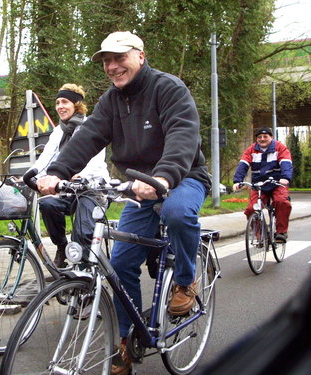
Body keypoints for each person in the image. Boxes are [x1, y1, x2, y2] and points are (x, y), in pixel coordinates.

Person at [36, 31, 211, 374]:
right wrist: (55, 173)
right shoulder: (110, 101)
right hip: (137, 187)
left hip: (182, 176)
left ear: (140, 56)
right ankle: (124, 342)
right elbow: (87, 138)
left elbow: (182, 133)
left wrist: (164, 177)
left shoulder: (168, 88)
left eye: (119, 58)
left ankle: (186, 280)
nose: (112, 66)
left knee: (176, 212)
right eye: (106, 61)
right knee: (121, 261)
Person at [27, 83, 110, 268]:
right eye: (57, 102)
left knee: (81, 232)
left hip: (92, 189)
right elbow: (46, 158)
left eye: (65, 101)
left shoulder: (91, 126)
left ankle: (84, 272)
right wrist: (30, 174)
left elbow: (96, 160)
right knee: (48, 204)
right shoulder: (58, 131)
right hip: (68, 190)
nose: (60, 106)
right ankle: (61, 246)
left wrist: (80, 174)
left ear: (77, 104)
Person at [232, 127, 293, 243]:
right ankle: (261, 235)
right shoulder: (251, 150)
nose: (262, 139)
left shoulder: (279, 148)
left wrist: (285, 178)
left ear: (271, 137)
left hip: (277, 183)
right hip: (259, 184)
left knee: (281, 202)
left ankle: (281, 232)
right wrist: (237, 181)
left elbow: (286, 163)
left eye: (265, 136)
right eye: (259, 137)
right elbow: (243, 165)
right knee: (251, 209)